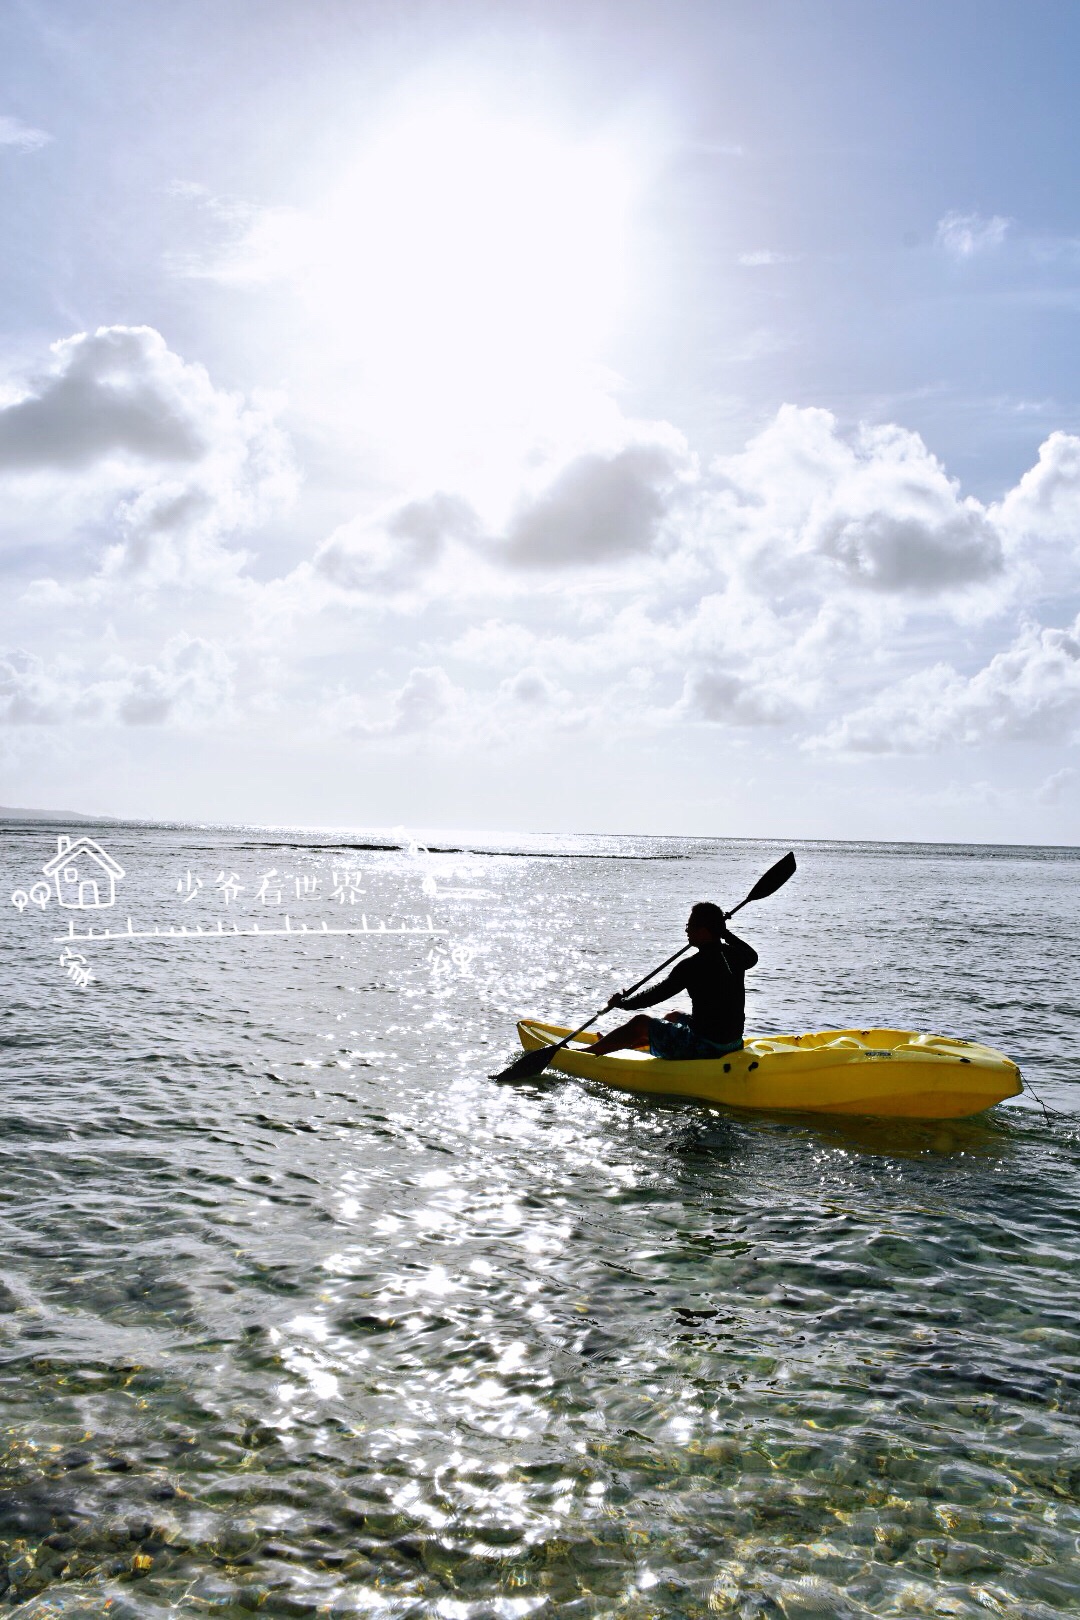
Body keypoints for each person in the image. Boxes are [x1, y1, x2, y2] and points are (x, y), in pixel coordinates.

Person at [589, 901, 758, 1060]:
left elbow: (656, 995)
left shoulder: (692, 965)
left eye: (690, 926)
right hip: (733, 1044)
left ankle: (587, 1053)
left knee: (640, 1023)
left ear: (704, 931)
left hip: (705, 1048)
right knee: (674, 1016)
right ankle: (627, 1045)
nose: (686, 931)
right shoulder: (737, 955)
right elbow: (752, 955)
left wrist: (622, 1003)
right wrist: (724, 932)